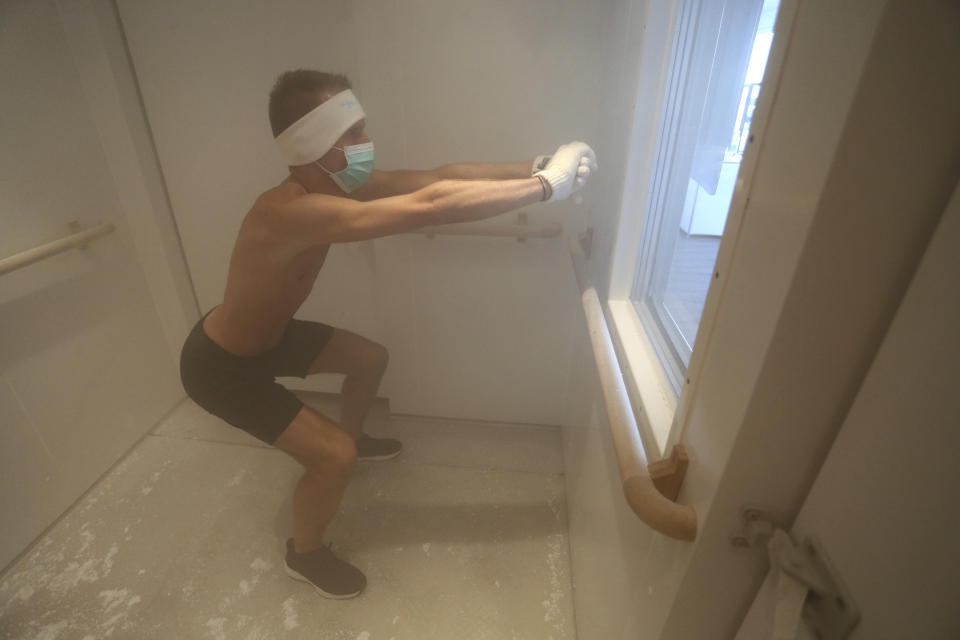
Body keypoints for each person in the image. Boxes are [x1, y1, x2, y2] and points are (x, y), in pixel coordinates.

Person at [179, 69, 597, 599]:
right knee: (332, 459)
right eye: (352, 134)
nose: (366, 144)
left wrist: (535, 164)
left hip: (270, 336)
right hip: (222, 366)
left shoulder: (335, 186)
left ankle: (353, 436)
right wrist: (546, 187)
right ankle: (303, 555)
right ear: (313, 144)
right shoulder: (288, 212)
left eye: (362, 130)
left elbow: (437, 178)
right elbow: (427, 207)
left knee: (369, 358)